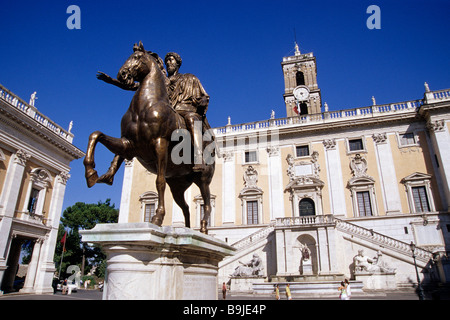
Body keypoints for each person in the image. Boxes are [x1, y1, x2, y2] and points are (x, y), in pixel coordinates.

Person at [164, 52, 210, 172]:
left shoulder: (190, 78)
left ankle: (199, 156)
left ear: (178, 63)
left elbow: (204, 96)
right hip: (168, 111)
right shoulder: (162, 82)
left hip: (186, 109)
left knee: (192, 119)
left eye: (171, 60)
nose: (169, 62)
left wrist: (202, 101)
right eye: (167, 60)